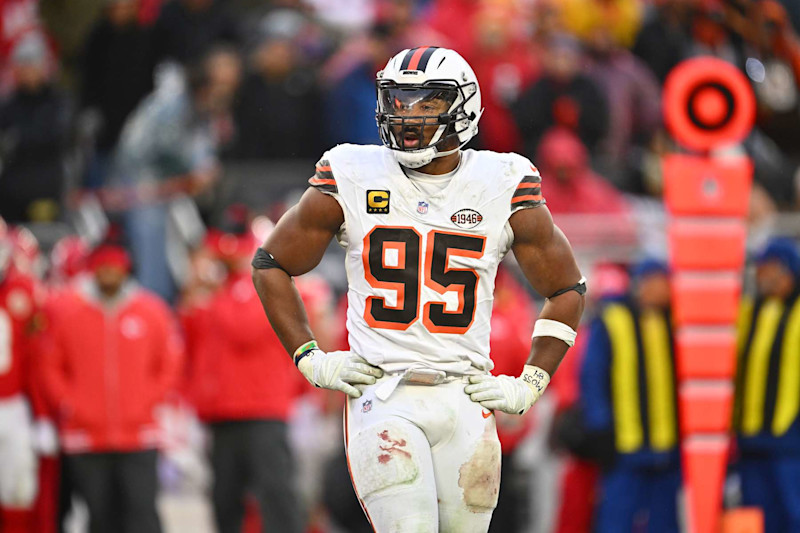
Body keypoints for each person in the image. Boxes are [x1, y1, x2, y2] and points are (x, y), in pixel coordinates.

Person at [252, 46, 585, 531]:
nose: (407, 116)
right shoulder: (353, 172)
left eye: (427, 102)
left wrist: (531, 383)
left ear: (463, 108)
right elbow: (271, 263)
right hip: (383, 393)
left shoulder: (502, 181)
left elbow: (567, 288)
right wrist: (311, 356)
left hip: (466, 398)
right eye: (399, 101)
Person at [39, 239, 183, 533]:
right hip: (86, 434)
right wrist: (69, 404)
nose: (108, 274)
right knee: (99, 516)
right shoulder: (70, 314)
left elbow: (170, 362)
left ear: (125, 269)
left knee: (142, 514)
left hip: (139, 433)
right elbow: (50, 365)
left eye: (114, 268)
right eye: (102, 268)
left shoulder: (151, 311)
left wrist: (149, 399)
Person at [182, 218, 304, 533]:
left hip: (263, 410)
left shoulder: (263, 280)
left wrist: (213, 293)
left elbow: (245, 331)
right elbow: (189, 336)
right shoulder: (217, 290)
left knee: (276, 496)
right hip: (221, 411)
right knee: (225, 499)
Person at [577, 259, 681, 533]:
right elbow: (593, 377)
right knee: (616, 519)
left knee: (665, 520)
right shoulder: (613, 319)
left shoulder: (674, 321)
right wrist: (600, 427)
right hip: (624, 443)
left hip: (666, 445)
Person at [733, 237, 800, 533]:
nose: (764, 276)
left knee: (793, 510)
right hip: (751, 436)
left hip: (790, 439)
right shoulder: (751, 311)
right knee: (756, 516)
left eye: (771, 269)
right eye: (761, 269)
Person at [0, 220, 40, 532]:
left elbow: (37, 355)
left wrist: (41, 412)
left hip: (13, 404)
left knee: (18, 489)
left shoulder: (23, 290)